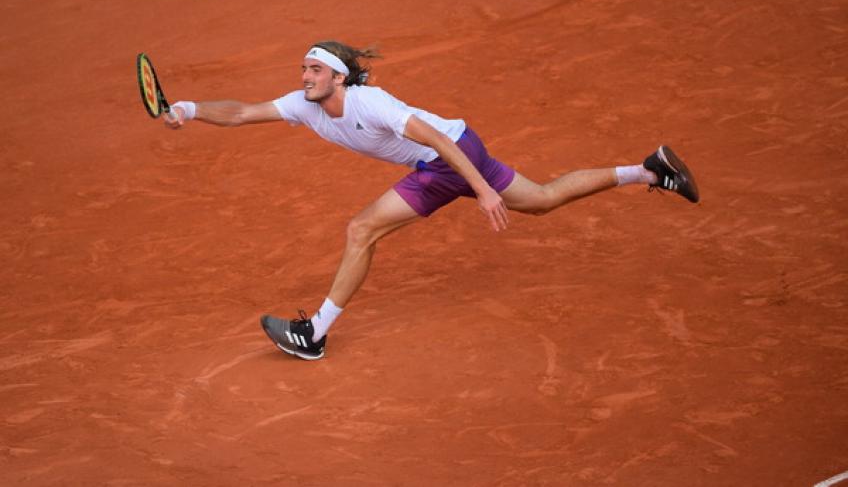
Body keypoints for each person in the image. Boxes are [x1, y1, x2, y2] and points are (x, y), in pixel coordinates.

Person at [165, 40, 699, 361]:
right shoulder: (304, 105)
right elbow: (239, 113)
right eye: (303, 69)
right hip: (464, 145)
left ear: (339, 76)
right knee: (540, 199)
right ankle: (648, 169)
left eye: (314, 70)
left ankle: (314, 334)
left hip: (447, 156)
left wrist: (484, 190)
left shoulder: (372, 103)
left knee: (361, 229)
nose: (304, 77)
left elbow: (438, 142)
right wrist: (186, 107)